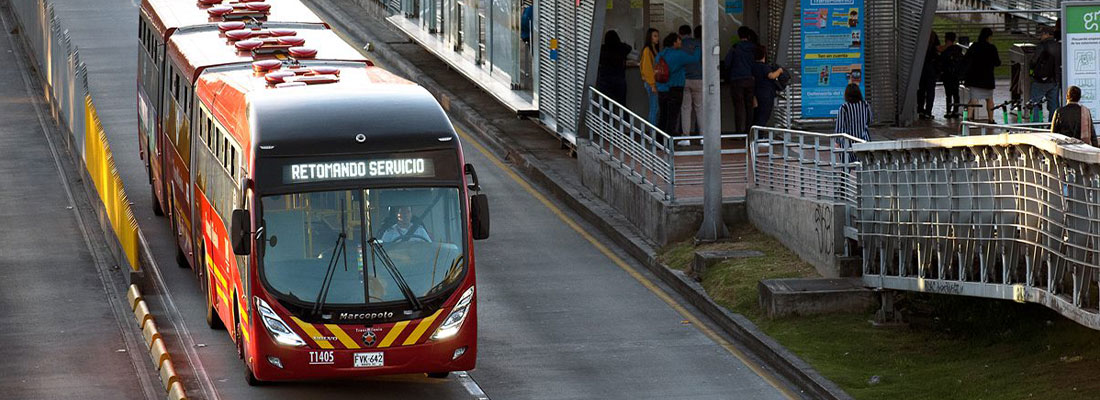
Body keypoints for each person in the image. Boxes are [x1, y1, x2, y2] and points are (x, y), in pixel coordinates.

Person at [657, 33, 702, 141]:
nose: (681, 42)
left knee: (663, 116)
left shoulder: (660, 55)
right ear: (674, 43)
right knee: (672, 118)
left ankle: (659, 140)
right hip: (675, 88)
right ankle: (668, 142)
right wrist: (698, 47)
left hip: (662, 89)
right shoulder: (679, 54)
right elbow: (695, 59)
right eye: (679, 40)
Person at [724, 26, 759, 135]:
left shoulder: (735, 48)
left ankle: (739, 132)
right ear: (748, 36)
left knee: (738, 107)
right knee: (749, 106)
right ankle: (749, 131)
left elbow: (727, 63)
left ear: (739, 35)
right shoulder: (754, 48)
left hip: (737, 80)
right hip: (750, 79)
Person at [964, 28, 1001, 122]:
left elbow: (966, 59)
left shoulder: (974, 46)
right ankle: (991, 119)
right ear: (989, 37)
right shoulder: (992, 48)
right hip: (987, 78)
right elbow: (997, 62)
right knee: (989, 99)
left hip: (974, 77)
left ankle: (968, 117)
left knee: (973, 99)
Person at [1030, 25, 1062, 120]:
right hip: (1055, 80)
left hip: (1041, 80)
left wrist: (1031, 67)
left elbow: (1034, 61)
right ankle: (1052, 124)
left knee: (1035, 103)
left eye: (1042, 34)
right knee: (1053, 104)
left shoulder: (1042, 46)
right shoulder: (1059, 46)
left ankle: (1036, 125)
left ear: (1047, 34)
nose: (1040, 36)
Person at [595, 30, 632, 104]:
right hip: (619, 77)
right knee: (621, 103)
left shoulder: (602, 49)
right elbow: (629, 48)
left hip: (605, 78)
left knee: (607, 104)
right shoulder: (621, 48)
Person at [751, 45, 783, 128]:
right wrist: (779, 71)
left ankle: (756, 133)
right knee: (764, 116)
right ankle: (759, 134)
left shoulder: (753, 66)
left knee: (758, 115)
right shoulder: (764, 67)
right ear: (764, 55)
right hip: (766, 95)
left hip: (757, 93)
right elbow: (771, 76)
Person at [680, 25, 703, 136]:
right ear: (690, 33)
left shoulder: (680, 45)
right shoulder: (699, 44)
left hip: (684, 79)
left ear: (680, 34)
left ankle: (686, 137)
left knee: (686, 109)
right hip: (698, 78)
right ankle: (703, 136)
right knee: (700, 108)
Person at [939, 32, 964, 118]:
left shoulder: (945, 51)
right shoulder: (958, 49)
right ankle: (956, 111)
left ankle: (949, 111)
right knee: (956, 93)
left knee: (948, 94)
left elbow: (941, 62)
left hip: (947, 74)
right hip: (955, 75)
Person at [916, 31, 940, 120]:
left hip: (920, 66)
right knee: (930, 91)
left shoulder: (919, 34)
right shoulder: (933, 35)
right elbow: (938, 48)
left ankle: (920, 110)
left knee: (921, 90)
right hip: (931, 67)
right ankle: (928, 112)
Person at [639, 28, 660, 125]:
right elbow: (647, 69)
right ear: (650, 37)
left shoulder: (654, 49)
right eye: (655, 36)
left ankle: (654, 130)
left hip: (655, 82)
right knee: (654, 108)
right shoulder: (647, 50)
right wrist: (652, 84)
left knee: (655, 108)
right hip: (651, 82)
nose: (657, 38)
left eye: (657, 36)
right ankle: (653, 131)